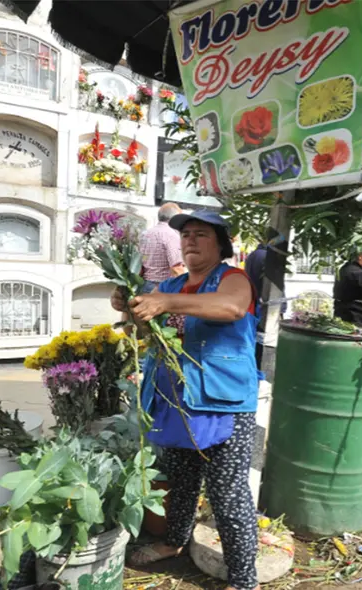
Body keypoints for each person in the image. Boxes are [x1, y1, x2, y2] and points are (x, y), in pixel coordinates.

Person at [113, 211, 261, 590]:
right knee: (180, 481)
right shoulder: (173, 284)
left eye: (201, 234)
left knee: (227, 493)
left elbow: (230, 308)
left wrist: (164, 301)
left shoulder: (232, 278)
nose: (190, 240)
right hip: (177, 399)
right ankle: (174, 541)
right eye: (186, 235)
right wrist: (132, 307)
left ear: (221, 244)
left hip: (223, 402)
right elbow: (145, 330)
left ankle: (244, 579)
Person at [139, 202, 185, 293]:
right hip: (162, 287)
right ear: (175, 218)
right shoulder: (171, 235)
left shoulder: (145, 234)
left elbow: (139, 264)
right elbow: (176, 268)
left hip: (144, 284)